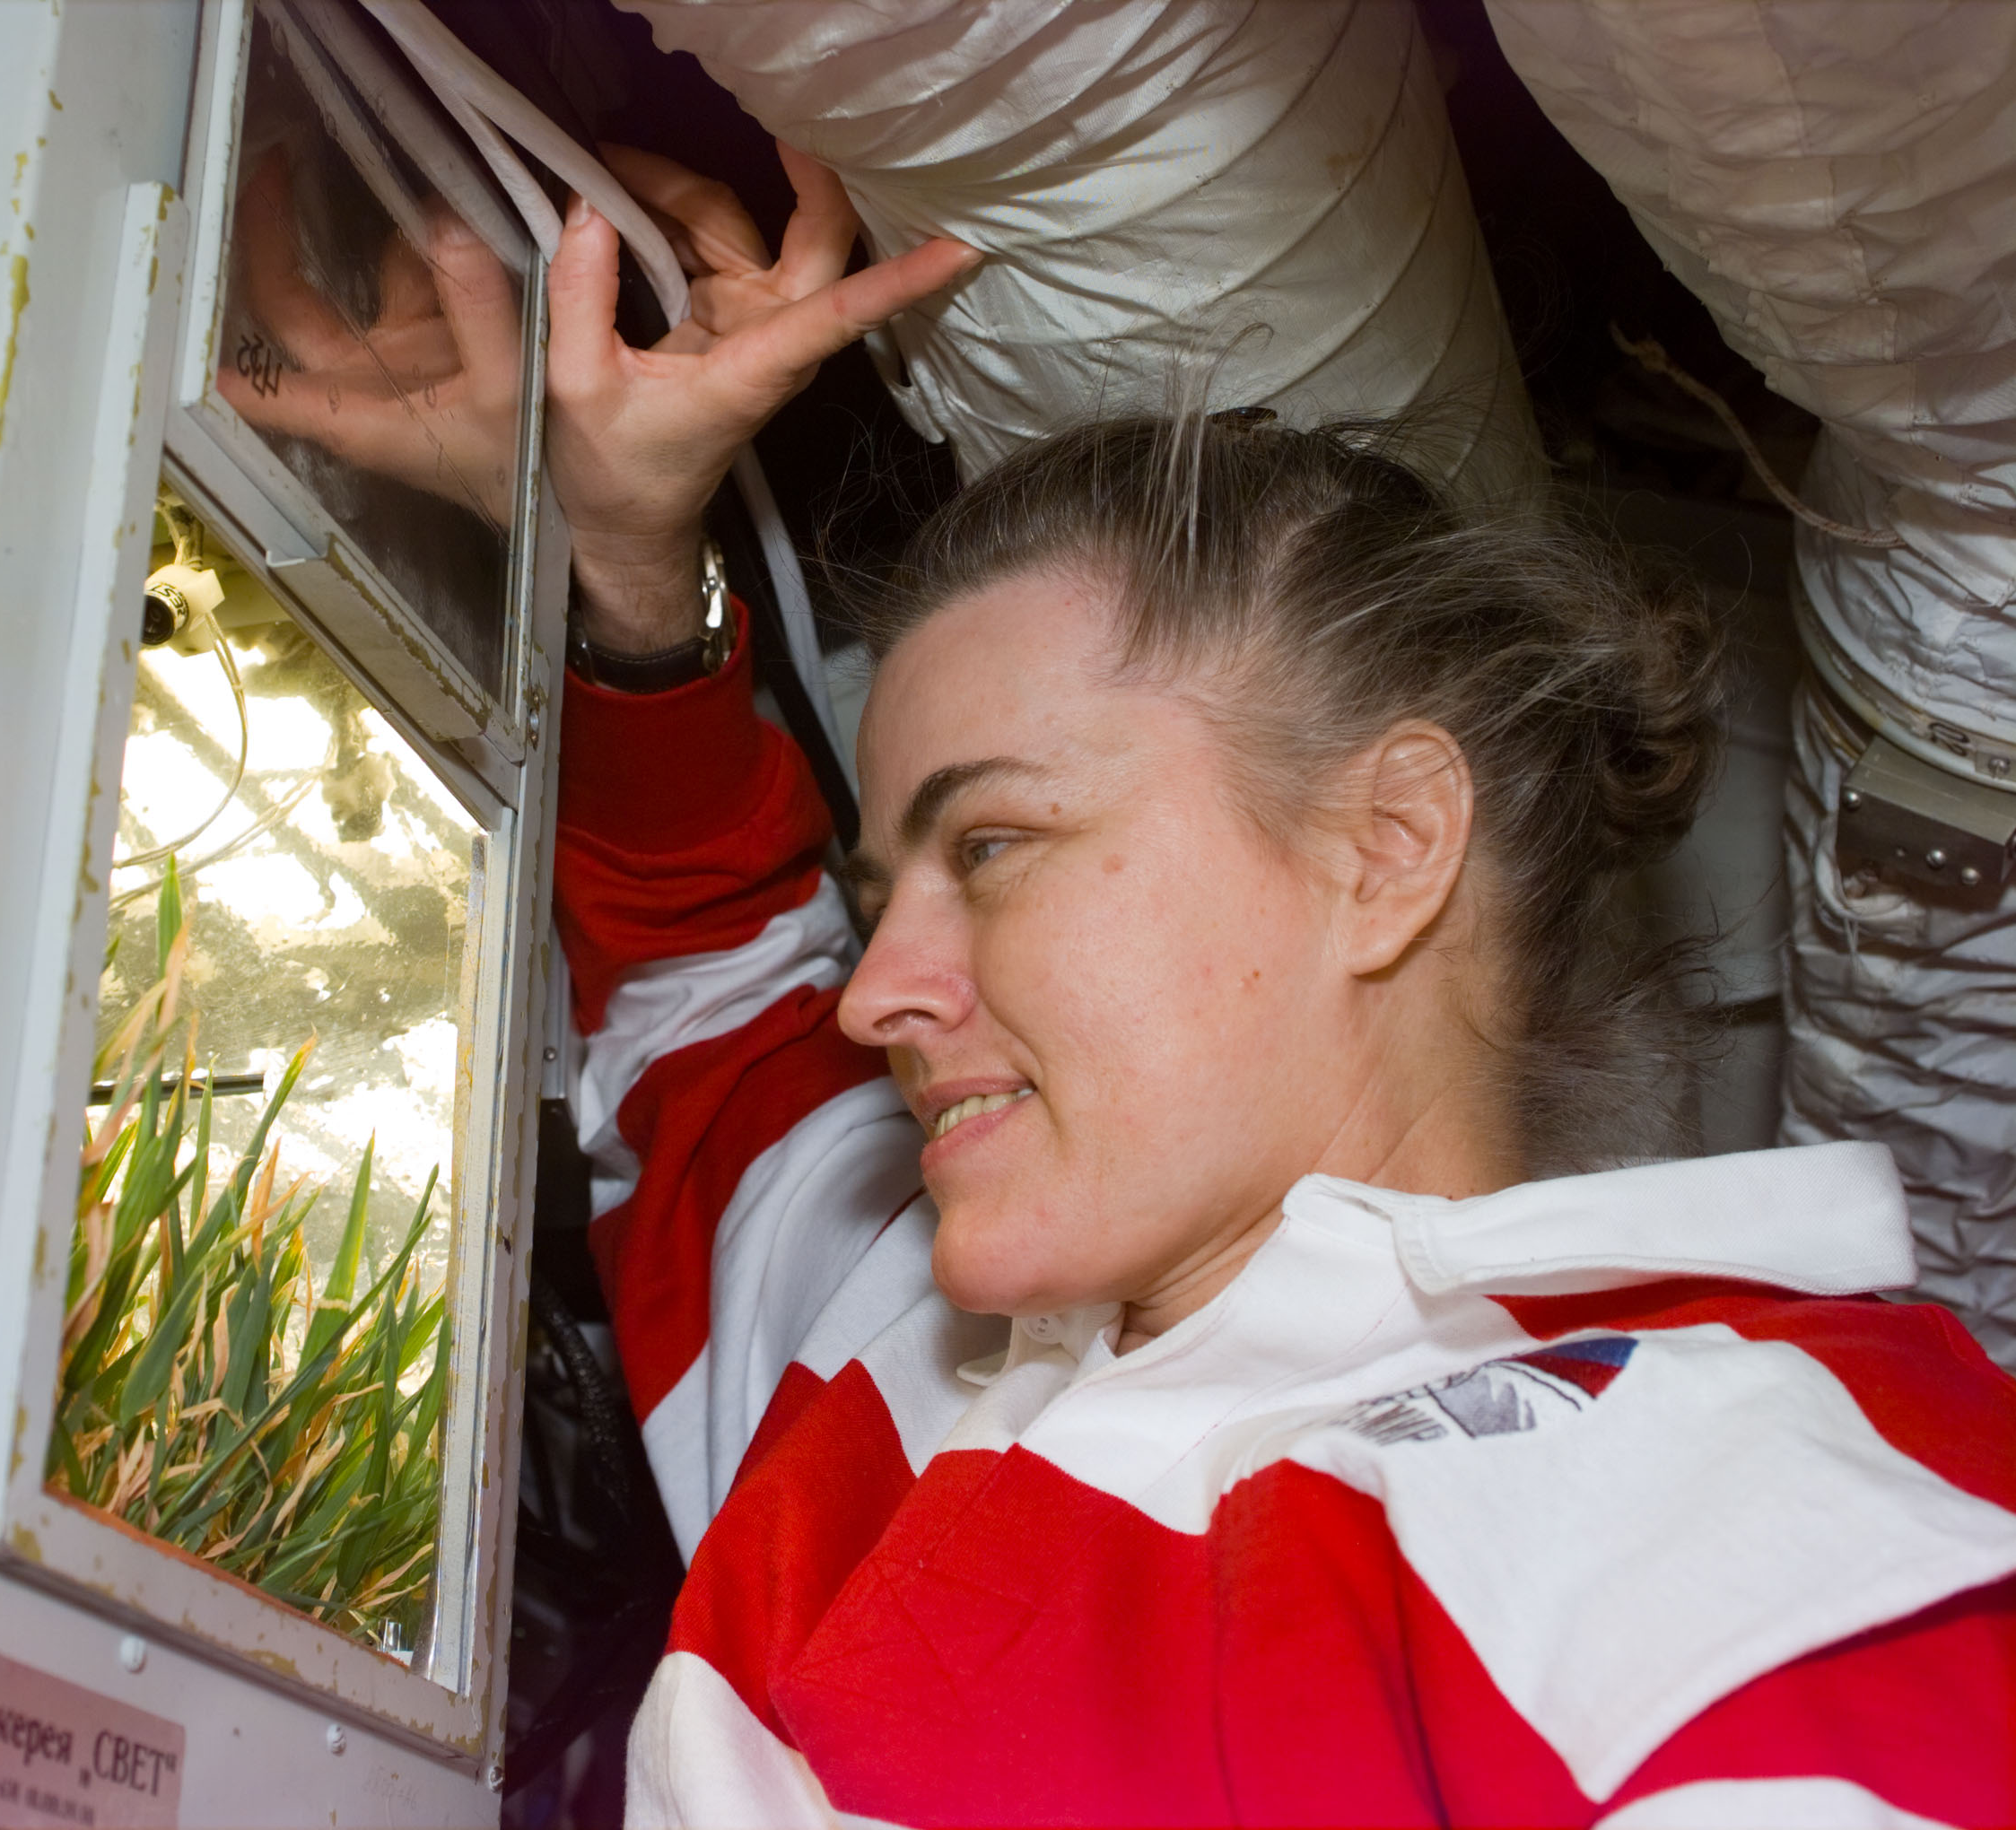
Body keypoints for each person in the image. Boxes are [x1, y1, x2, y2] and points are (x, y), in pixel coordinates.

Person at [231, 139, 2016, 1826]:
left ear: (1389, 843)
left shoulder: (1766, 1521)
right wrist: (625, 560)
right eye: (889, 890)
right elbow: (707, 998)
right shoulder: (888, 1346)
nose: (876, 996)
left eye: (994, 847)